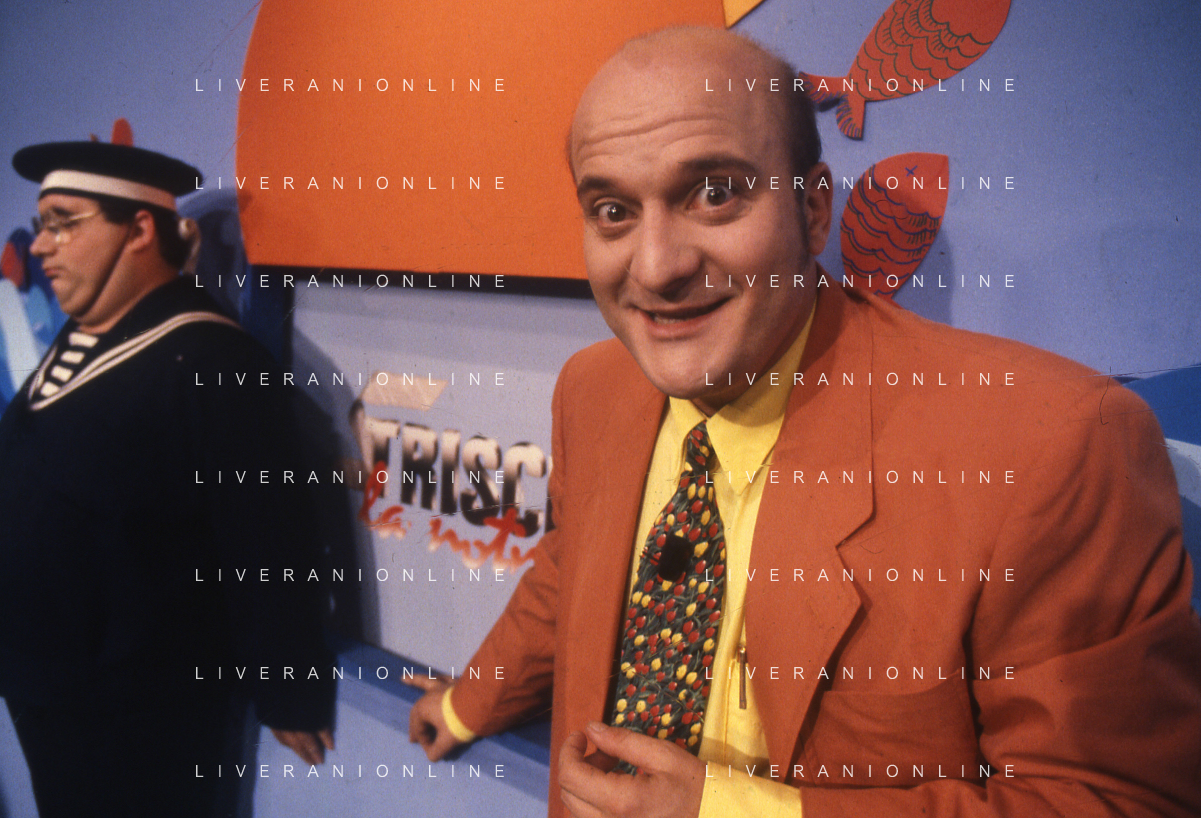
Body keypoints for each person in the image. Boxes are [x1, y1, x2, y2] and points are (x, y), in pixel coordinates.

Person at [409, 26, 1201, 818]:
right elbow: (572, 566)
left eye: (713, 193)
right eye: (613, 210)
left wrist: (723, 812)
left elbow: (1114, 801)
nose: (655, 267)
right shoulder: (592, 388)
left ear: (813, 210)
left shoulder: (1047, 448)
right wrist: (468, 704)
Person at [0, 138, 336, 817]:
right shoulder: (77, 341)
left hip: (138, 707)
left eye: (64, 223)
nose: (42, 247)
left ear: (139, 231)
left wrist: (288, 686)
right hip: (47, 685)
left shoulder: (214, 358)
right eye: (41, 225)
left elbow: (269, 533)